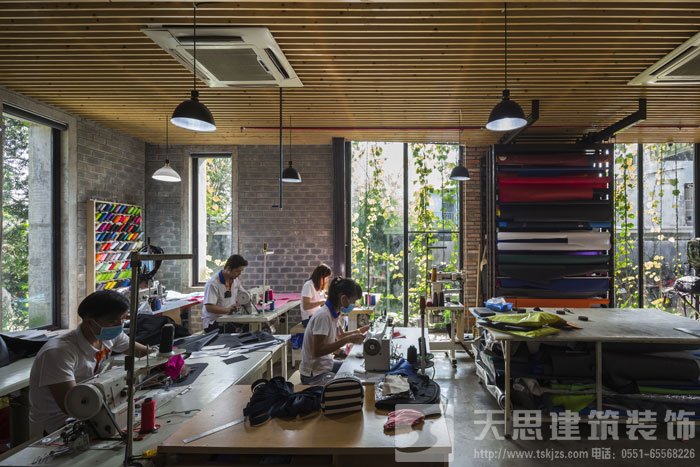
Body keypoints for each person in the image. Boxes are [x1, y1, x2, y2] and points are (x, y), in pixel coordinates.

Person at [29, 290, 149, 437]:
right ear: (90, 322)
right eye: (113, 321)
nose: (119, 325)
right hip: (57, 427)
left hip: (91, 412)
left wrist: (165, 355)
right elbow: (72, 405)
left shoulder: (109, 335)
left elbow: (144, 353)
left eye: (123, 319)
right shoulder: (59, 352)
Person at [299, 277, 369, 385]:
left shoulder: (334, 313)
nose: (354, 304)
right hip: (314, 374)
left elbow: (340, 335)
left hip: (326, 364)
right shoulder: (323, 316)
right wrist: (348, 340)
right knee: (352, 384)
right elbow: (317, 351)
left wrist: (360, 331)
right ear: (343, 298)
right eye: (353, 301)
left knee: (355, 368)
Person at [202, 254, 248, 332]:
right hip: (213, 322)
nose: (239, 274)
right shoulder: (213, 284)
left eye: (240, 271)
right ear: (228, 268)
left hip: (227, 318)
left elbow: (244, 294)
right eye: (237, 271)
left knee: (250, 325)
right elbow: (209, 307)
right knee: (245, 329)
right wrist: (228, 310)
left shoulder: (235, 280)